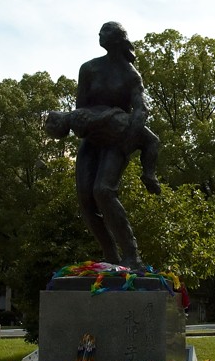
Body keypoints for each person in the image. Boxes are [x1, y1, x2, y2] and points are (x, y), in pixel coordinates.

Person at [67, 21, 160, 267]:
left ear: (118, 39)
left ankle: (132, 255)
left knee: (103, 191)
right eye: (99, 31)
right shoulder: (89, 69)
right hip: (92, 139)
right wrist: (88, 122)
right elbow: (80, 108)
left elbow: (141, 108)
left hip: (117, 140)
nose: (100, 34)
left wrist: (128, 140)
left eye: (106, 31)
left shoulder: (131, 75)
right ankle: (111, 256)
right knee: (86, 201)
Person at [43, 106, 161, 195]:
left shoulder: (75, 120)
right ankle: (149, 174)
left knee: (151, 142)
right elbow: (95, 121)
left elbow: (94, 123)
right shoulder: (75, 119)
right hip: (120, 126)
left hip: (119, 128)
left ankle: (149, 174)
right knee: (152, 141)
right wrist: (113, 112)